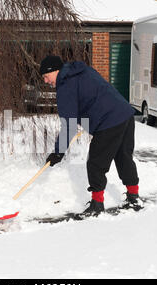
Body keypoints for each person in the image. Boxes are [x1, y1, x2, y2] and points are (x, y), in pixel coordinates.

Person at [40, 55, 142, 215]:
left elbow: (70, 124)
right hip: (125, 113)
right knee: (123, 157)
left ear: (56, 71)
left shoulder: (65, 86)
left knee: (95, 164)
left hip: (108, 121)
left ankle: (97, 204)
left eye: (46, 76)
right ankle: (134, 197)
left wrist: (58, 152)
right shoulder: (82, 70)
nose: (46, 81)